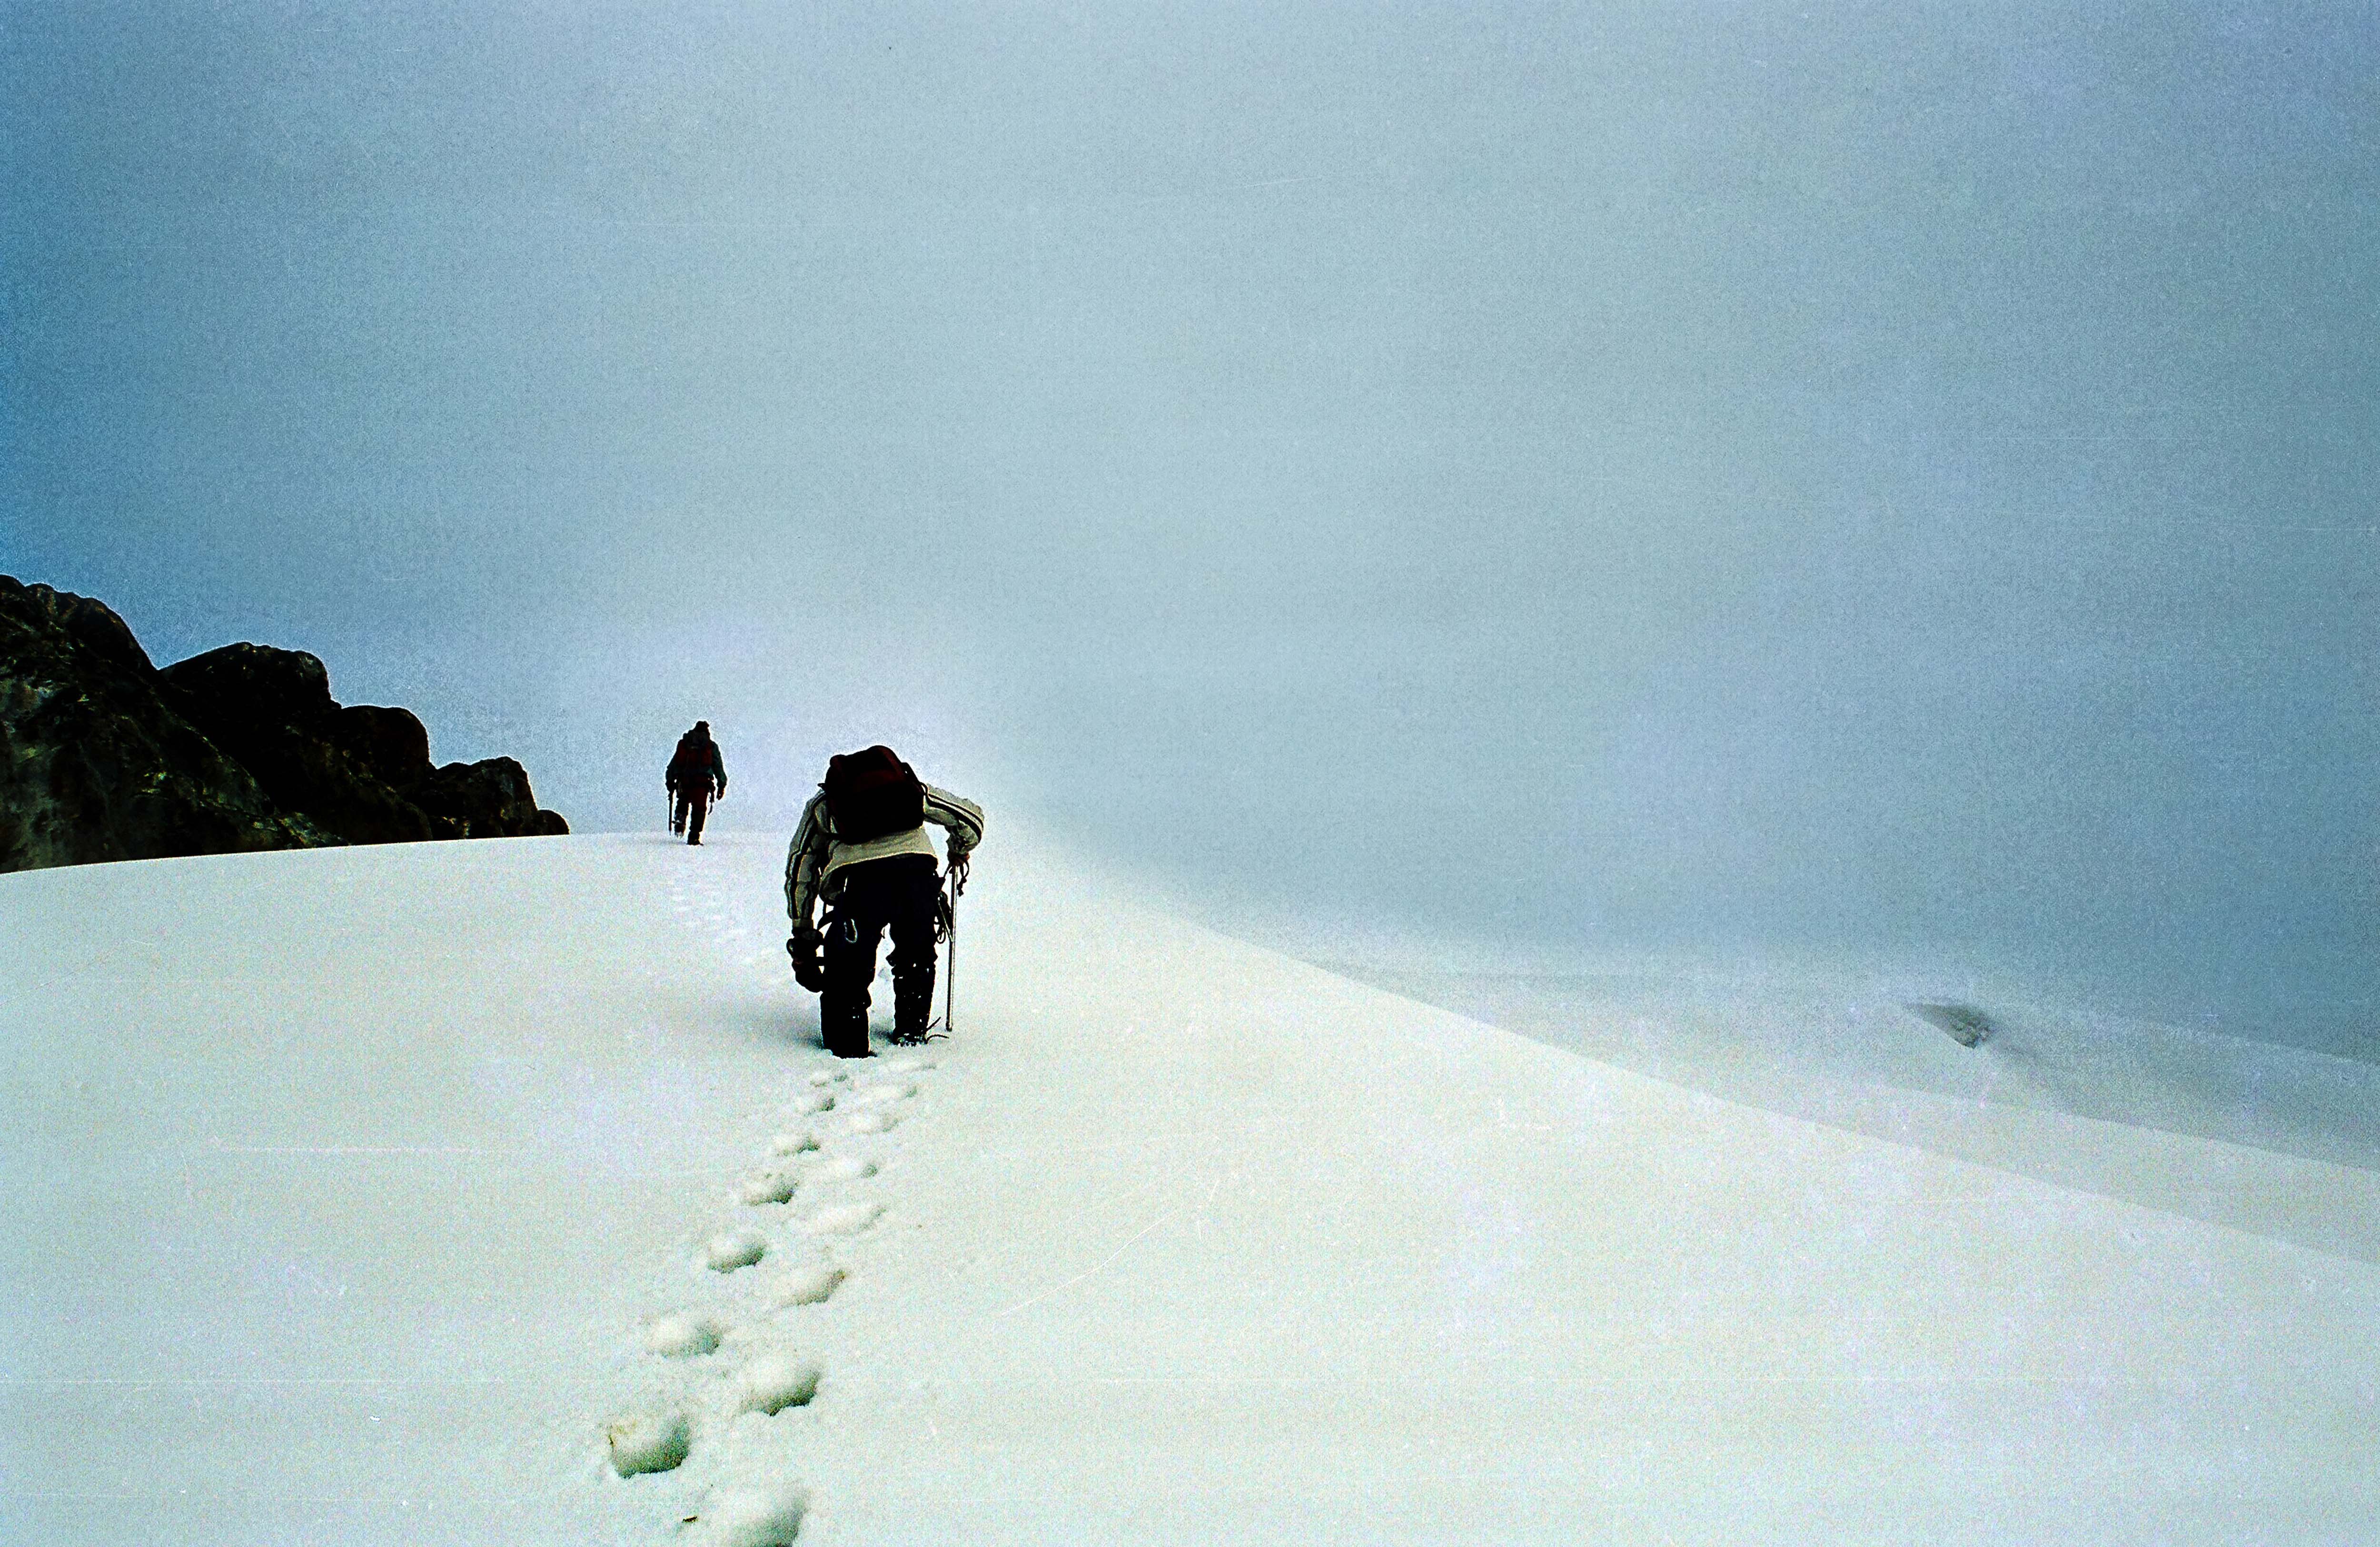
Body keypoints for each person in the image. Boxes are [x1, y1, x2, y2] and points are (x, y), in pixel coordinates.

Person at [784, 745, 983, 1057]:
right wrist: (959, 848)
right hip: (918, 876)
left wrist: (802, 927)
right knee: (916, 954)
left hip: (861, 884)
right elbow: (970, 818)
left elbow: (801, 868)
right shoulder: (907, 790)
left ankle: (847, 1047)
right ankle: (912, 1032)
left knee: (848, 965)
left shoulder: (824, 805)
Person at [665, 722, 727, 845]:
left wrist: (670, 782)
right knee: (699, 809)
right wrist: (722, 784)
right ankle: (694, 836)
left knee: (683, 801)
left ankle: (680, 817)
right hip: (702, 783)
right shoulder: (710, 746)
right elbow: (718, 767)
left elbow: (674, 764)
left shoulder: (685, 745)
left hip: (684, 781)